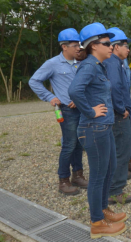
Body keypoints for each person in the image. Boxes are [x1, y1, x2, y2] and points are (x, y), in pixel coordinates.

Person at [68, 22, 127, 239]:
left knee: (108, 170)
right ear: (94, 46)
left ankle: (103, 210)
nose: (111, 46)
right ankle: (97, 223)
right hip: (94, 128)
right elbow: (74, 90)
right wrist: (91, 112)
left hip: (104, 127)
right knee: (99, 176)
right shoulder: (90, 66)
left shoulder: (99, 65)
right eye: (107, 43)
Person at [29, 28, 88, 196]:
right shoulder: (53, 64)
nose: (78, 48)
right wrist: (50, 97)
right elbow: (34, 81)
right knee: (69, 145)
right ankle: (63, 180)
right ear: (64, 47)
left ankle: (78, 175)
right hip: (66, 111)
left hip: (81, 109)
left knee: (79, 144)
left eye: (79, 44)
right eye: (74, 45)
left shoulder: (81, 63)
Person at [103, 27, 131, 205]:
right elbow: (114, 88)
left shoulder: (118, 62)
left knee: (120, 149)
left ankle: (114, 186)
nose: (128, 50)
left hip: (120, 111)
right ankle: (115, 191)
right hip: (118, 114)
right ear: (115, 47)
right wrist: (122, 109)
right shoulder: (112, 63)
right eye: (125, 46)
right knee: (120, 151)